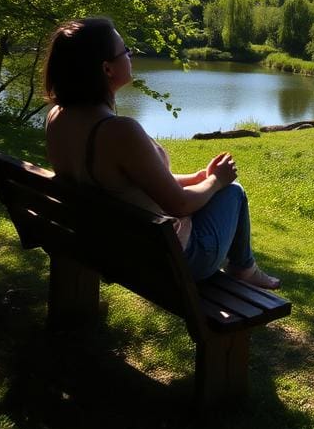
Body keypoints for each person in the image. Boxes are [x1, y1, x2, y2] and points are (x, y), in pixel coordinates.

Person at [42, 16, 280, 289]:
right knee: (233, 192)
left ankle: (244, 267)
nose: (131, 55)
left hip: (108, 246)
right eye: (125, 51)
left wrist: (198, 177)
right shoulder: (119, 132)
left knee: (219, 189)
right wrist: (217, 181)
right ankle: (244, 268)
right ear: (107, 69)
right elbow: (177, 205)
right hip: (163, 261)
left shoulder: (57, 117)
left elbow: (133, 183)